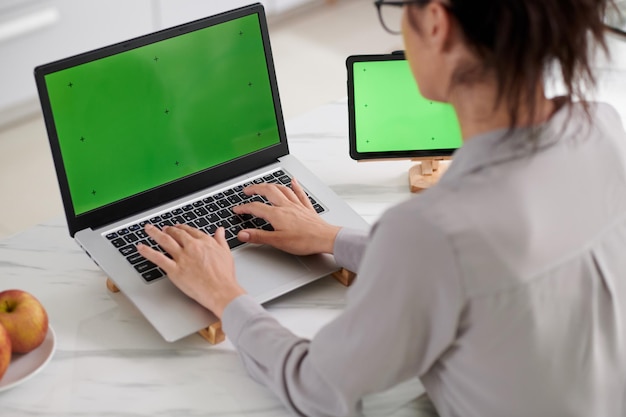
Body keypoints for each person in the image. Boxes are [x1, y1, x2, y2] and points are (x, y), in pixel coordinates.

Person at [138, 0, 626, 416]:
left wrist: (224, 294)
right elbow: (474, 268)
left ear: (437, 23)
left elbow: (317, 387)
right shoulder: (603, 129)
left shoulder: (433, 231)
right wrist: (330, 238)